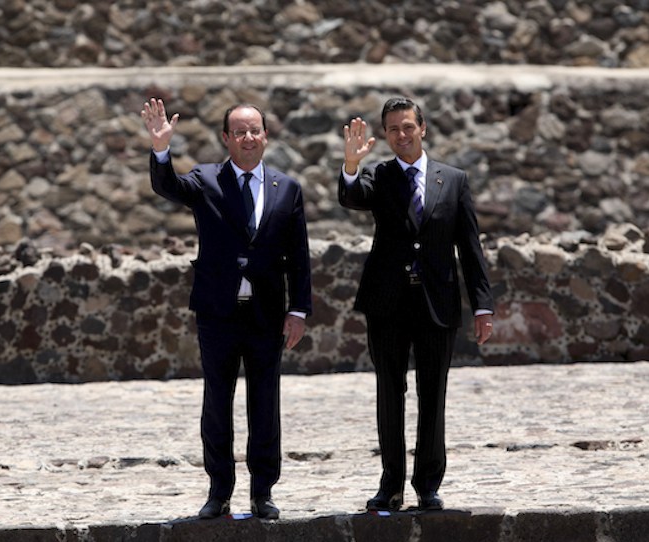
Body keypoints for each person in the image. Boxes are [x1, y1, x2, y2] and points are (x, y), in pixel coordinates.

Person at [141, 98, 312, 520]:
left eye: (255, 130)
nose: (248, 138)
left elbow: (299, 255)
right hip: (218, 312)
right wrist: (162, 149)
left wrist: (300, 310)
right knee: (218, 402)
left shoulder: (287, 188)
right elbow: (168, 187)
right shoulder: (206, 180)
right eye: (239, 131)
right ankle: (219, 491)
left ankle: (263, 491)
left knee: (264, 403)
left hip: (266, 315)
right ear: (226, 139)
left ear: (266, 136)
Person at [338, 97, 494, 512]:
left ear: (422, 128)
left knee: (433, 394)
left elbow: (470, 246)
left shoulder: (454, 179)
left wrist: (482, 304)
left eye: (408, 126)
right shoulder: (380, 175)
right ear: (385, 135)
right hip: (387, 303)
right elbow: (352, 197)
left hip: (437, 303)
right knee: (390, 393)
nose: (401, 135)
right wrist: (351, 164)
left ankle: (428, 484)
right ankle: (390, 483)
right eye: (392, 129)